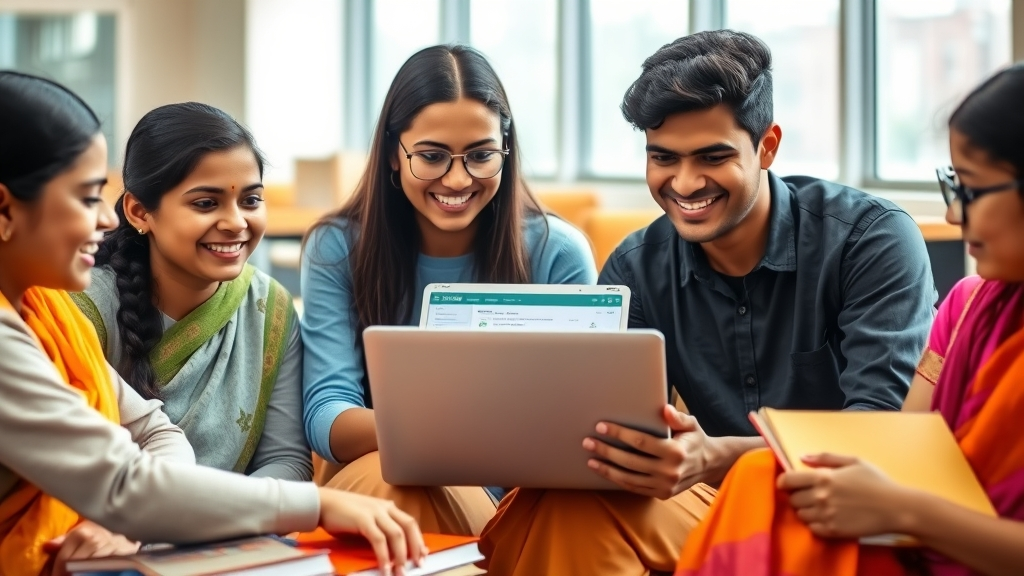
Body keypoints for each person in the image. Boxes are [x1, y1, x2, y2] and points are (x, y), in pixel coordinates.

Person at [478, 29, 936, 575]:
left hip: (845, 517)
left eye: (713, 157)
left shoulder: (871, 240)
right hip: (718, 512)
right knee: (567, 502)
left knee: (563, 519)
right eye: (663, 158)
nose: (686, 182)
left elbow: (877, 440)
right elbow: (611, 430)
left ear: (767, 146)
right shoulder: (634, 268)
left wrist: (718, 457)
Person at [0, 70, 423, 576]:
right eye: (88, 198)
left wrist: (147, 520)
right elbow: (121, 486)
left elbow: (157, 435)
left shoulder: (41, 314)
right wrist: (318, 505)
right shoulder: (69, 306)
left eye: (251, 199)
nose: (236, 221)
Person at [676, 62, 1024, 576]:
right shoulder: (970, 305)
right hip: (919, 545)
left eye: (970, 190)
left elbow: (901, 486)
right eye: (953, 186)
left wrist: (904, 511)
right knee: (760, 477)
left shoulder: (867, 236)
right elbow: (902, 456)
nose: (953, 216)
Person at [301, 44, 596, 536]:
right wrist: (448, 437)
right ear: (394, 155)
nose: (458, 179)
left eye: (481, 155)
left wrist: (449, 436)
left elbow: (577, 416)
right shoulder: (337, 248)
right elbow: (327, 412)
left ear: (505, 149)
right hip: (392, 481)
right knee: (398, 486)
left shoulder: (557, 251)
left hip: (524, 499)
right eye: (432, 156)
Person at [70, 102, 311, 481]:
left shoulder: (270, 309)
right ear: (139, 212)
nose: (235, 222)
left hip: (233, 531)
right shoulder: (81, 308)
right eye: (205, 203)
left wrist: (216, 522)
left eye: (250, 200)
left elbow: (287, 461)